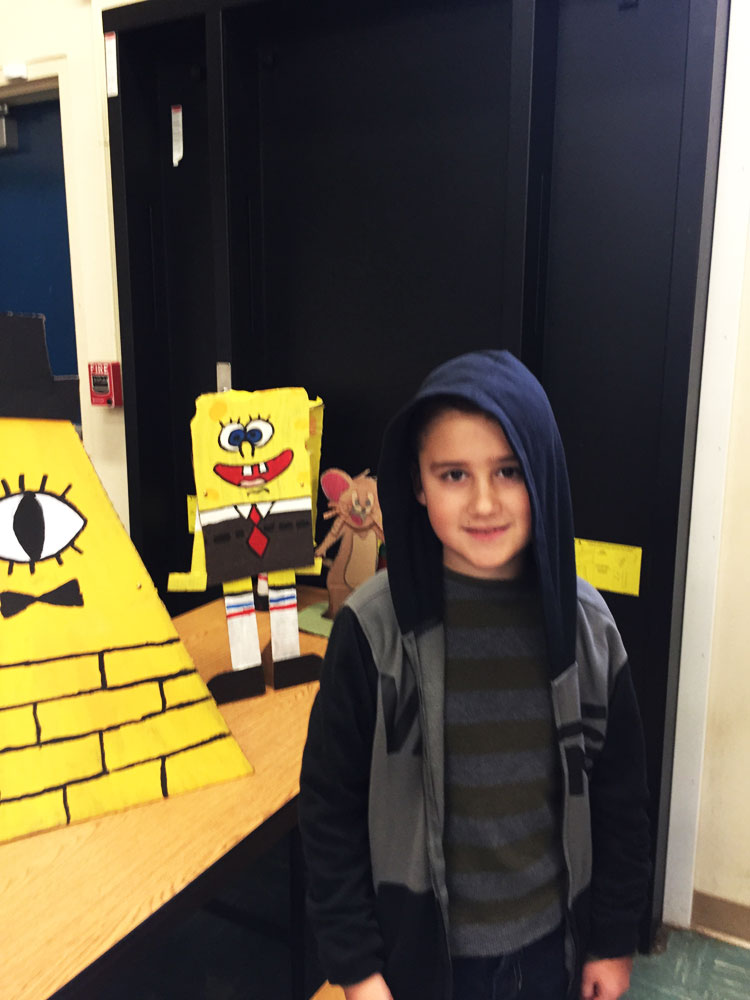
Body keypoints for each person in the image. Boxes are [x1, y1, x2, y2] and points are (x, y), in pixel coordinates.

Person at [299, 350, 651, 1000]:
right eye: (455, 474)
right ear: (418, 484)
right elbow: (330, 806)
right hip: (418, 964)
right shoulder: (372, 630)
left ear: (541, 473)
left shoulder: (588, 629)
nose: (484, 502)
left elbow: (621, 800)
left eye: (509, 471)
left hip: (550, 955)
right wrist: (355, 966)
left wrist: (612, 939)